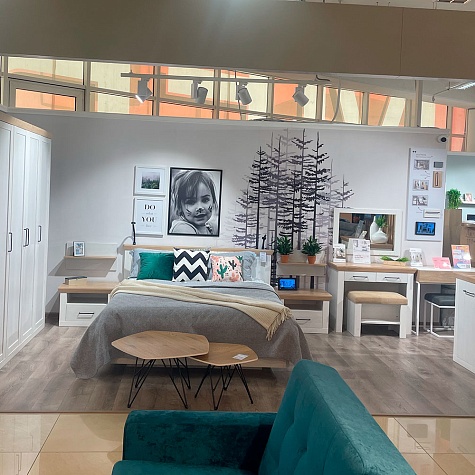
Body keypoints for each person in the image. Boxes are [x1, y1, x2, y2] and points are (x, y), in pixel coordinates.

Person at [169, 170, 218, 235]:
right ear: (179, 207)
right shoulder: (182, 228)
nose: (200, 207)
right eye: (191, 202)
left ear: (213, 200)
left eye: (205, 200)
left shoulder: (210, 227)